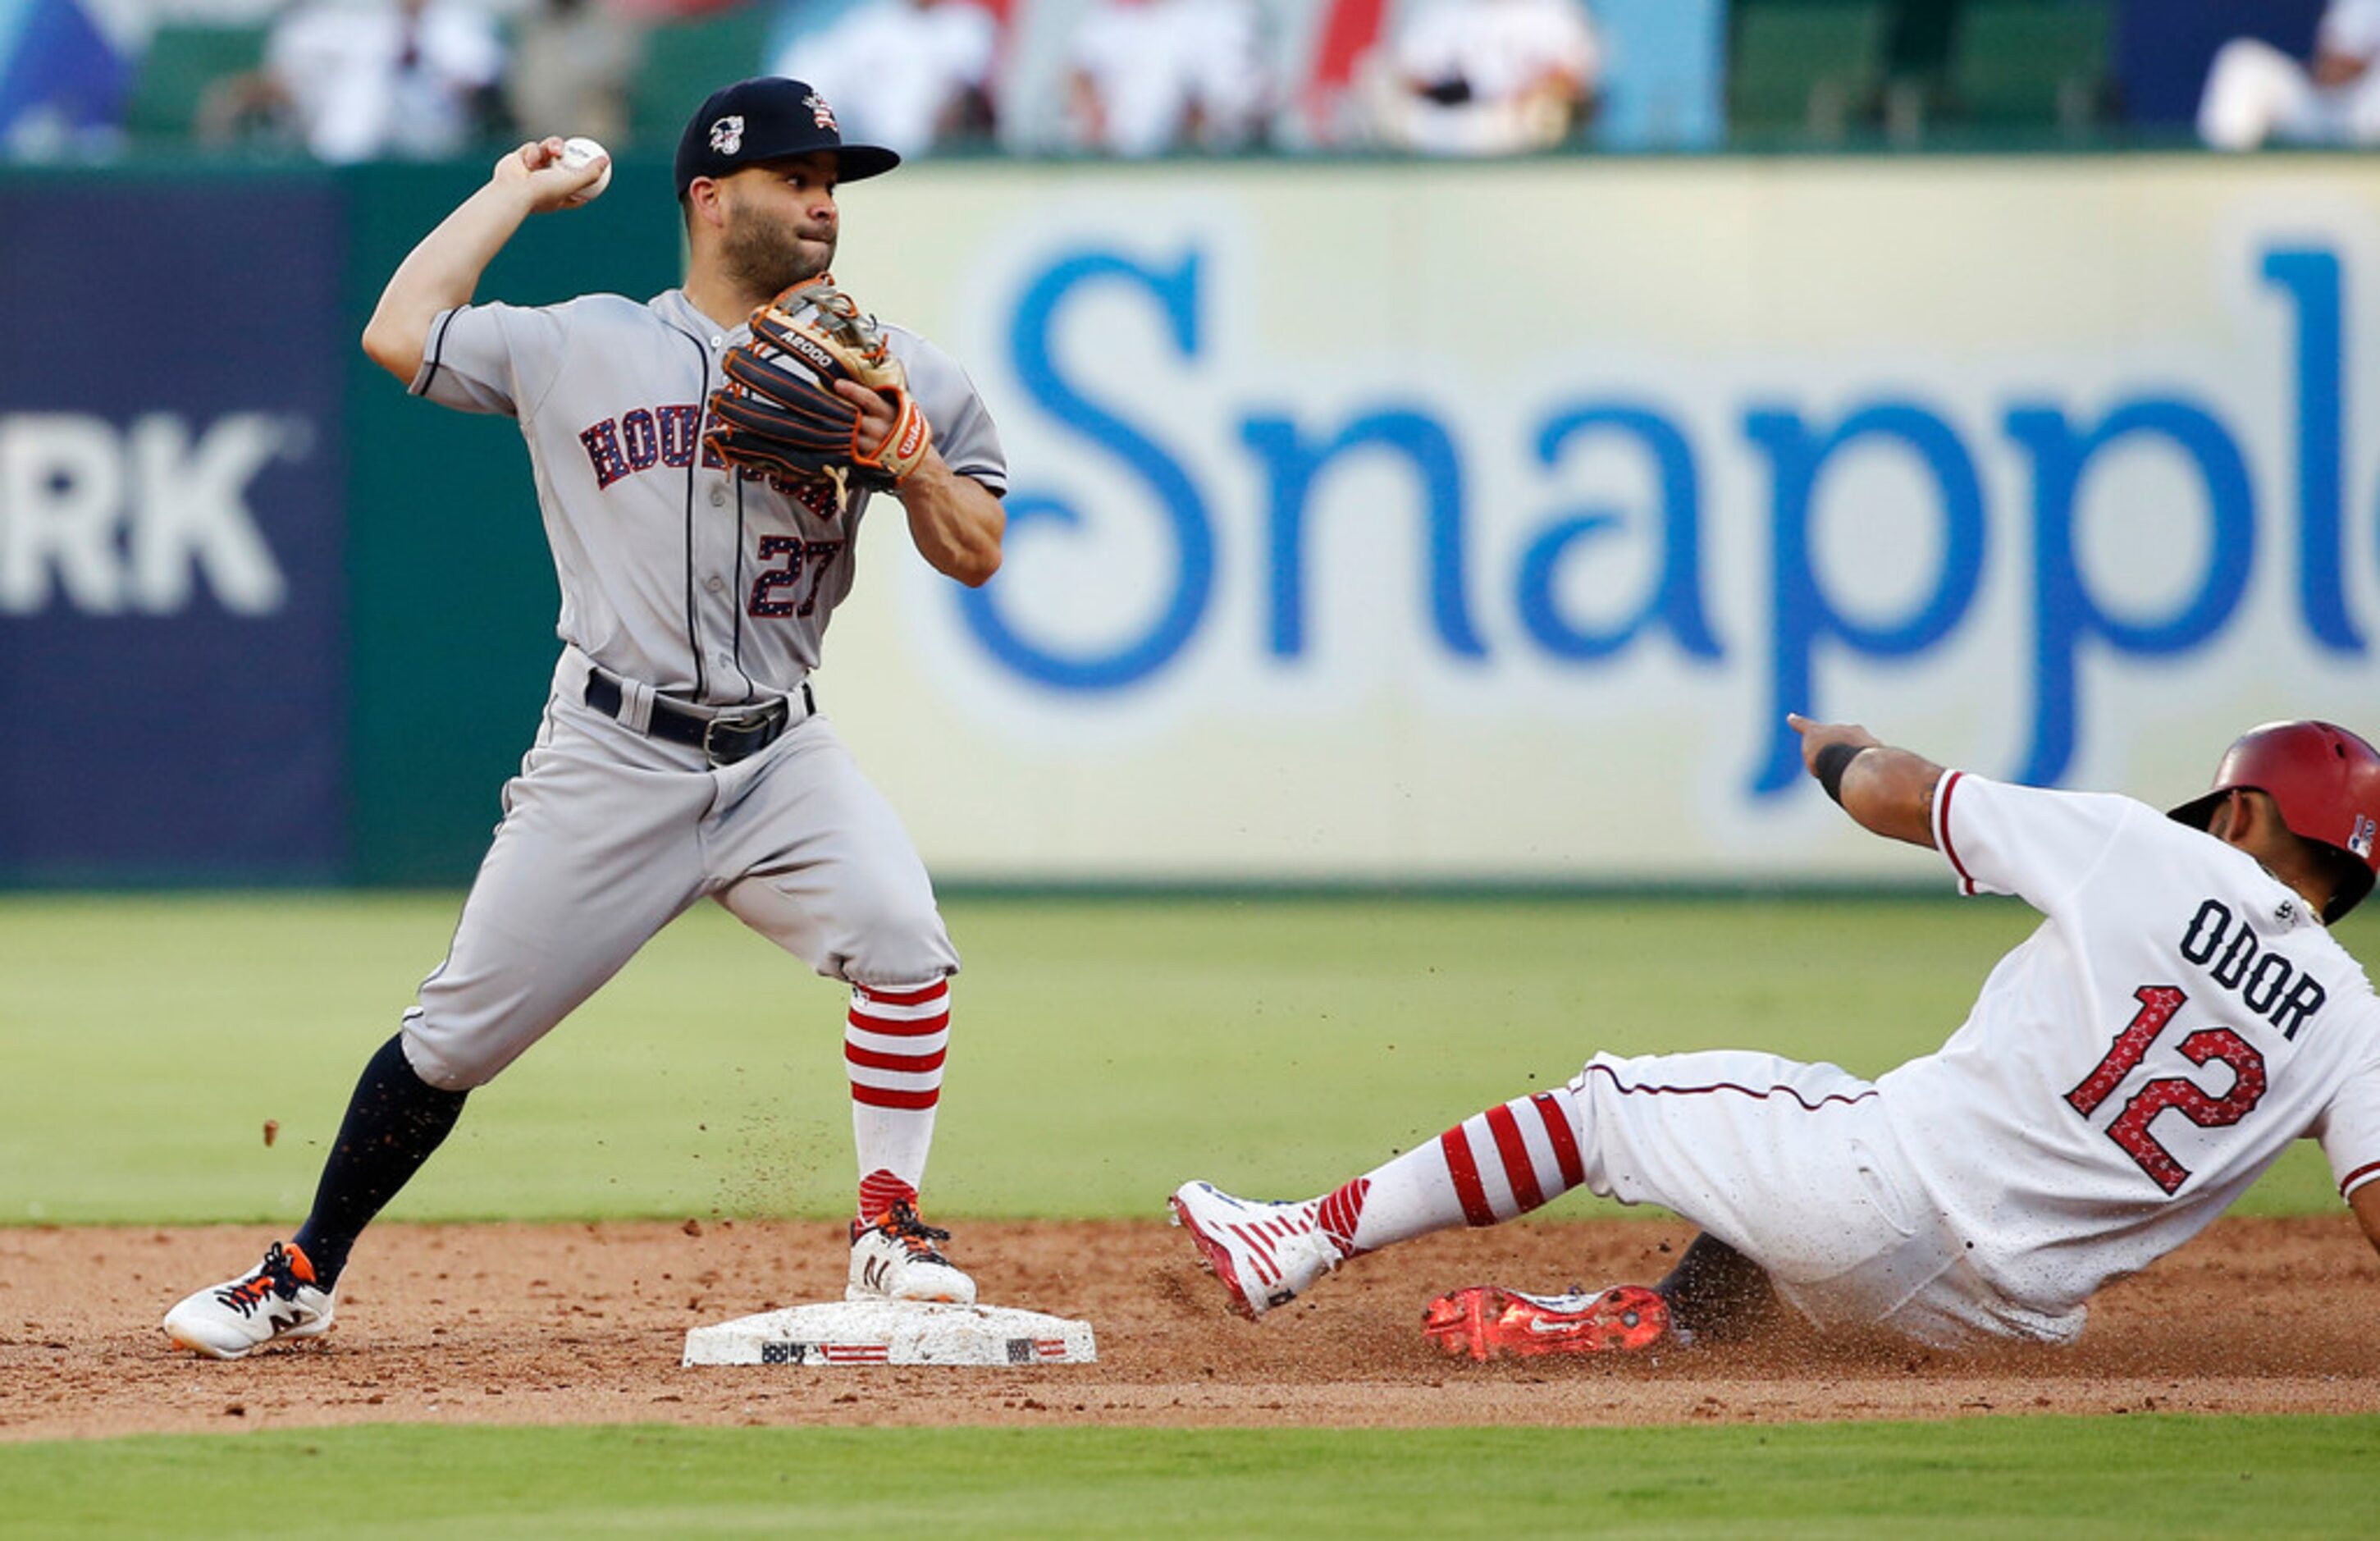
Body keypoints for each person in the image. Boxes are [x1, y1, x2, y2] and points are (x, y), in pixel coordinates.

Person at [162, 76, 1007, 1360]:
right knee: (451, 1039)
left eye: (834, 185)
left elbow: (979, 548)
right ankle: (302, 1270)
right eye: (797, 180)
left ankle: (888, 1228)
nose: (823, 204)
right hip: (614, 750)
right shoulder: (582, 343)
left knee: (904, 936)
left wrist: (912, 461)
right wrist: (513, 189)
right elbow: (401, 330)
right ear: (712, 198)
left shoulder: (891, 371)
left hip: (780, 750)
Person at [1172, 716, 2380, 1359]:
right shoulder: (2351, 1021)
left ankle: (1304, 1234)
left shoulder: (2151, 850)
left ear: (2240, 808)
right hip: (2002, 1330)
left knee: (1615, 1108)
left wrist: (1834, 749)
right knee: (1781, 1155)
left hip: (1880, 1191)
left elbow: (1899, 795)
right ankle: (1658, 1326)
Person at [199, 0, 507, 163]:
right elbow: (294, 78)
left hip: (439, 145)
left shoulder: (462, 24)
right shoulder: (358, 25)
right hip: (354, 150)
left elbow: (484, 82)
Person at [771, 0, 999, 159]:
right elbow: (816, 88)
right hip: (883, 165)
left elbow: (976, 102)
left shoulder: (970, 25)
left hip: (950, 163)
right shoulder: (868, 26)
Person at [1368, 0, 1599, 156]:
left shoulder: (1552, 10)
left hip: (1525, 147)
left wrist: (1527, 94)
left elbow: (1573, 77)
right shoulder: (1436, 9)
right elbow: (1408, 77)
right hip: (1438, 141)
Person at [1067, 0, 1268, 157]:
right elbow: (1080, 76)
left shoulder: (1224, 17)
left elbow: (1249, 106)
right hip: (1123, 161)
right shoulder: (1113, 18)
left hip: (1209, 161)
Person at [2199, 0, 2380, 151]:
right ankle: (2220, 177)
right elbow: (2335, 71)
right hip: (2337, 111)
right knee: (2244, 64)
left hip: (2369, 122)